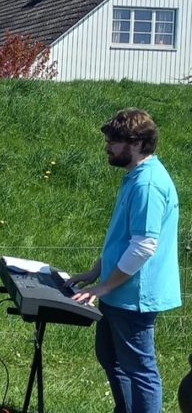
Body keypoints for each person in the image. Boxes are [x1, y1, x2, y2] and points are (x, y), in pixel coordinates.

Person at [68, 108, 181, 413]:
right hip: (119, 290)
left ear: (137, 143)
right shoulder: (136, 177)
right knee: (110, 357)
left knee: (140, 370)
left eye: (114, 141)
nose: (107, 147)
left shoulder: (148, 184)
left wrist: (104, 287)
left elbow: (144, 246)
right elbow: (123, 238)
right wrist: (94, 272)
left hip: (134, 296)